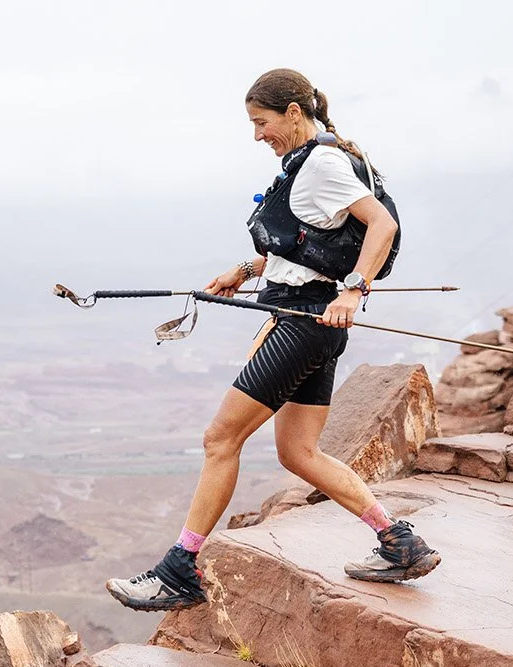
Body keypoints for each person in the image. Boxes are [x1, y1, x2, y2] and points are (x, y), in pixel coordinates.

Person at [106, 68, 440, 612]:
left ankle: (180, 570)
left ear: (292, 112)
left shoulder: (323, 164)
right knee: (298, 452)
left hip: (306, 322)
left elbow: (381, 226)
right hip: (312, 320)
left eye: (261, 123)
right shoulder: (312, 162)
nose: (257, 135)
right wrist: (246, 269)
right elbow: (305, 240)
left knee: (220, 439)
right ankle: (401, 543)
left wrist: (354, 291)